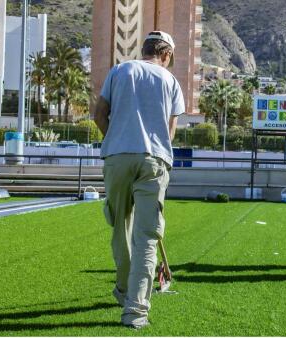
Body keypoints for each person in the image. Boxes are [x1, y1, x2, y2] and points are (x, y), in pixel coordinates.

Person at [94, 31, 185, 328]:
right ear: (167, 55)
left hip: (117, 157)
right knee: (146, 237)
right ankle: (135, 311)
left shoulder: (120, 70)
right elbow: (172, 130)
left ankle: (123, 290)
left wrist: (118, 138)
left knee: (120, 226)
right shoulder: (170, 81)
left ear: (143, 49)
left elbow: (99, 115)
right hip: (154, 160)